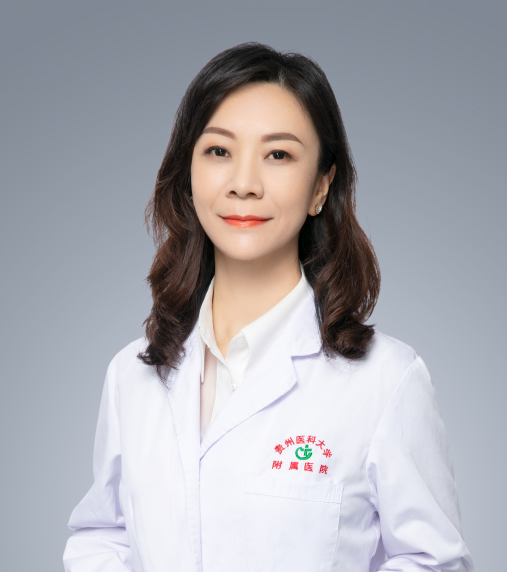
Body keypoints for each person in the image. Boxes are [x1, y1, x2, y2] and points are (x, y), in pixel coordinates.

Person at [63, 42, 474, 572]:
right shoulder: (131, 376)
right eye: (219, 151)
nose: (244, 184)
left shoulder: (385, 381)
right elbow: (103, 534)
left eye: (278, 155)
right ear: (188, 174)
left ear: (321, 186)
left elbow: (434, 561)